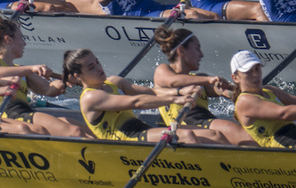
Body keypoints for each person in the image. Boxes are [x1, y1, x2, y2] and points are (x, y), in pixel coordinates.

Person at [62, 48, 229, 143]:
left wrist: (180, 91)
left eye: (97, 62)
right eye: (91, 67)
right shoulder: (90, 97)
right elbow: (137, 101)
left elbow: (151, 92)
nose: (99, 68)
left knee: (214, 135)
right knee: (187, 135)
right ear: (77, 76)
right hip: (125, 143)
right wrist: (175, 99)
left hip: (142, 131)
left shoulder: (114, 82)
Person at [0, 12, 92, 138]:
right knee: (74, 132)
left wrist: (64, 81)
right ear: (8, 40)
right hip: (7, 116)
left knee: (82, 128)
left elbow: (48, 90)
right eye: (21, 38)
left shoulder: (21, 70)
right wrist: (32, 68)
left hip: (25, 113)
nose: (24, 43)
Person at [153, 26, 255, 146]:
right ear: (181, 51)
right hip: (184, 122)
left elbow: (225, 92)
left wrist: (244, 90)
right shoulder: (163, 70)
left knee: (250, 135)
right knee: (240, 136)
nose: (201, 55)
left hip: (203, 119)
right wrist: (208, 79)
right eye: (197, 49)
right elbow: (173, 81)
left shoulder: (200, 79)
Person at [230, 50, 296, 148]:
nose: (255, 74)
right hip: (279, 141)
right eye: (248, 72)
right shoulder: (245, 100)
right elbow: (284, 114)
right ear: (235, 78)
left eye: (257, 69)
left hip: (295, 133)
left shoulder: (269, 90)